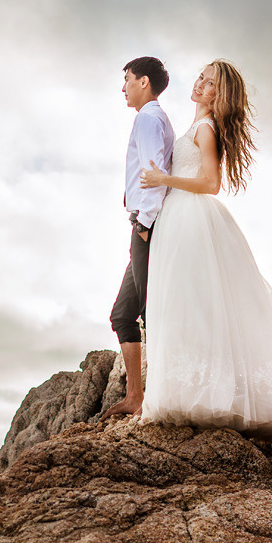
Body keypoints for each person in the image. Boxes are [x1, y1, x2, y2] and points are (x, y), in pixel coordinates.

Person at [138, 60, 272, 431]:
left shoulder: (206, 129)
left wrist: (163, 177)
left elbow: (211, 183)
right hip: (178, 217)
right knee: (184, 302)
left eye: (209, 83)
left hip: (193, 217)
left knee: (200, 302)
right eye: (201, 77)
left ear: (218, 95)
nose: (200, 83)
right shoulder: (194, 126)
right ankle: (186, 389)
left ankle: (211, 392)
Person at [100, 56, 176, 421]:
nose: (124, 87)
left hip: (147, 225)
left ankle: (160, 395)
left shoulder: (147, 118)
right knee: (123, 314)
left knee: (151, 311)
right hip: (143, 224)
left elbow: (154, 173)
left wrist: (144, 223)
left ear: (144, 81)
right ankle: (135, 395)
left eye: (127, 79)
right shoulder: (153, 118)